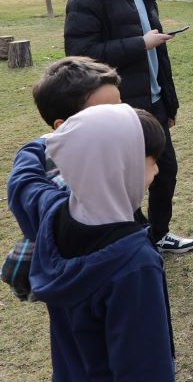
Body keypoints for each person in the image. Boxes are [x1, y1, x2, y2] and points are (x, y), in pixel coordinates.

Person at [7, 103, 175, 381]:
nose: (156, 171)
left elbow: (24, 182)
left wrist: (70, 141)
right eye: (151, 161)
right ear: (122, 166)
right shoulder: (135, 263)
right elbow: (146, 370)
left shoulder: (52, 212)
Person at [64, 0, 193, 254]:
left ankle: (159, 234)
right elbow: (81, 57)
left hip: (153, 103)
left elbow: (157, 56)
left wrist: (168, 103)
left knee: (165, 172)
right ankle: (134, 239)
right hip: (118, 109)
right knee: (127, 181)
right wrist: (140, 43)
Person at [2, 56, 121, 301]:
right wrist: (39, 146)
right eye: (106, 113)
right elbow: (31, 208)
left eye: (121, 106)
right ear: (63, 126)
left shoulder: (118, 148)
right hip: (78, 284)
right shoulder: (57, 171)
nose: (121, 117)